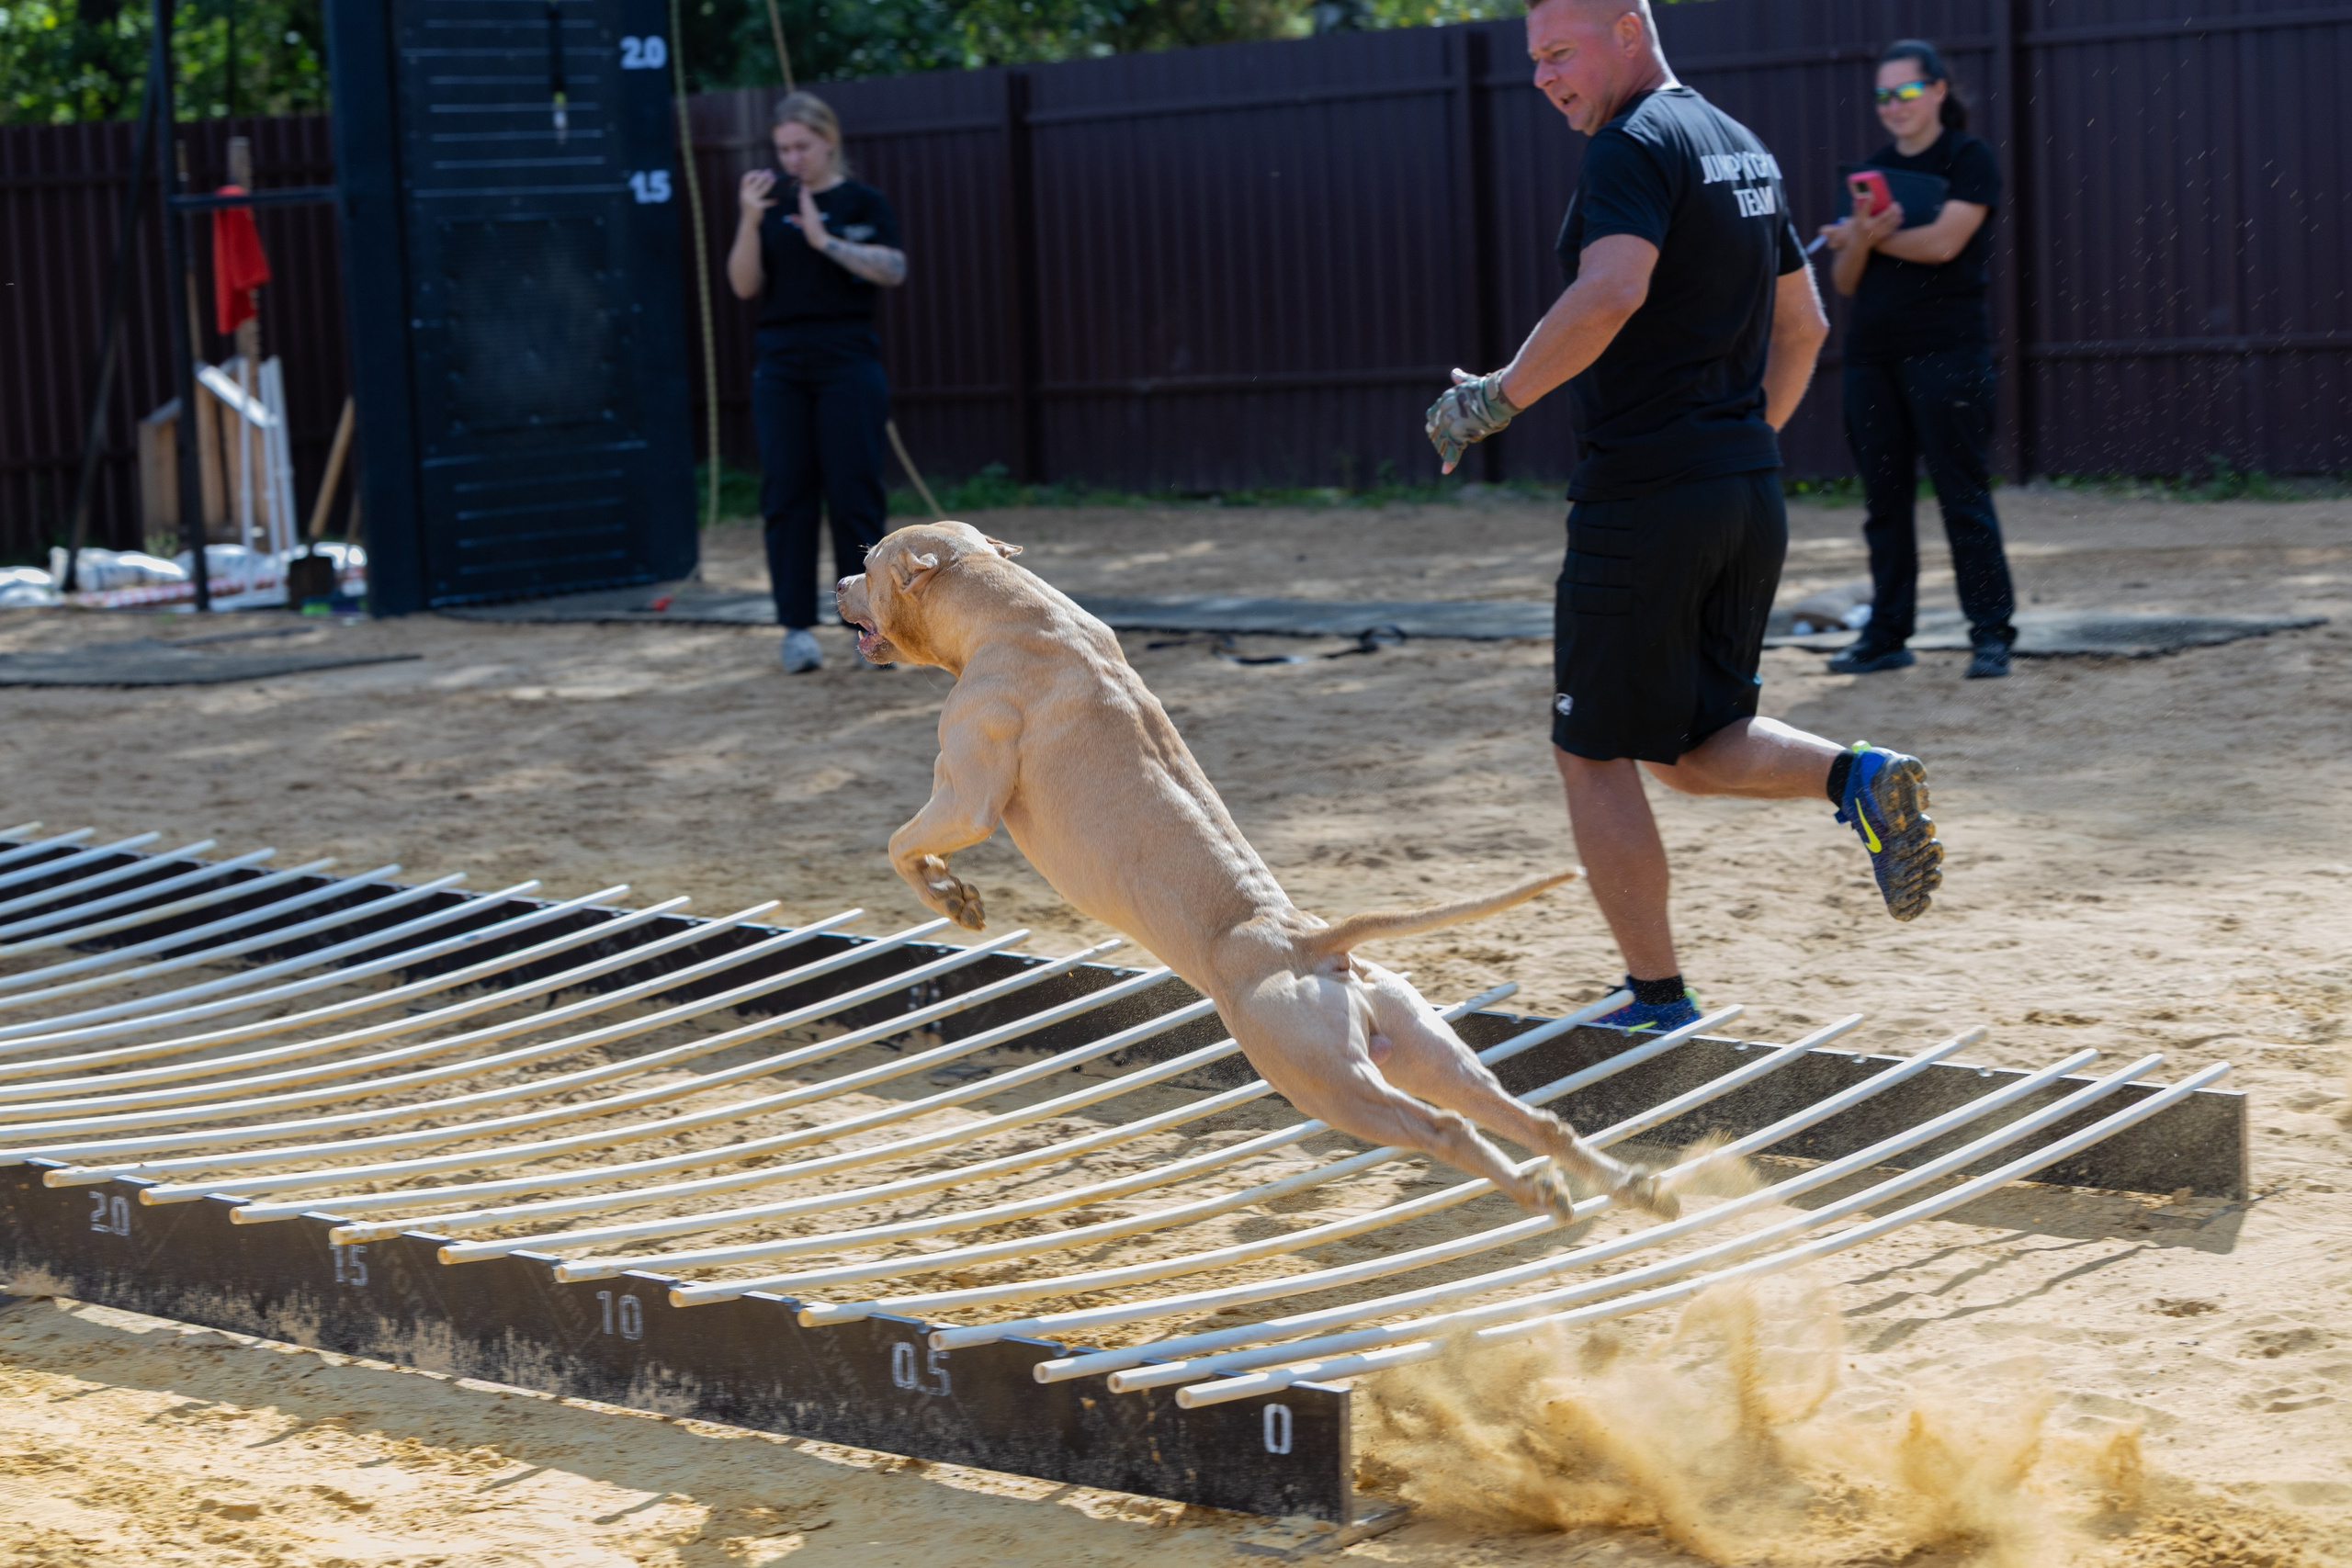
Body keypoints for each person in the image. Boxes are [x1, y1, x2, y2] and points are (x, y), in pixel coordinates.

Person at [1425, 0, 1945, 1033]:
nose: (1542, 78)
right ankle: (1858, 776)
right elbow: (1803, 324)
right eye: (1533, 61)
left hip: (1646, 498)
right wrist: (1743, 441)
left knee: (1591, 749)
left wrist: (1494, 398)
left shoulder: (1632, 143)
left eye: (1558, 52)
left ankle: (1656, 1000)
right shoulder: (1735, 144)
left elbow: (1611, 290)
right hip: (1742, 490)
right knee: (1695, 745)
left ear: (1627, 28)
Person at [1817, 39, 2018, 679]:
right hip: (1872, 358)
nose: (1893, 106)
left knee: (1962, 495)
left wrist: (1875, 235)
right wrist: (1858, 241)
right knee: (1885, 502)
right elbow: (1846, 279)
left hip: (1948, 354)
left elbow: (1941, 242)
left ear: (1937, 90)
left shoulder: (1969, 158)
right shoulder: (1871, 171)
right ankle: (1886, 635)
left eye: (1905, 92)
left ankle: (1990, 634)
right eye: (1883, 96)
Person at [726, 92, 907, 674]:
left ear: (828, 140)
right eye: (782, 149)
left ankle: (870, 628)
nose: (792, 158)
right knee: (786, 492)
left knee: (854, 488)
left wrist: (823, 239)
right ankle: (796, 629)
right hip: (781, 361)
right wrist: (751, 218)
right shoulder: (770, 205)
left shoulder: (861, 201)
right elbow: (743, 285)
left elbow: (893, 268)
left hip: (847, 357)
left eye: (802, 146)